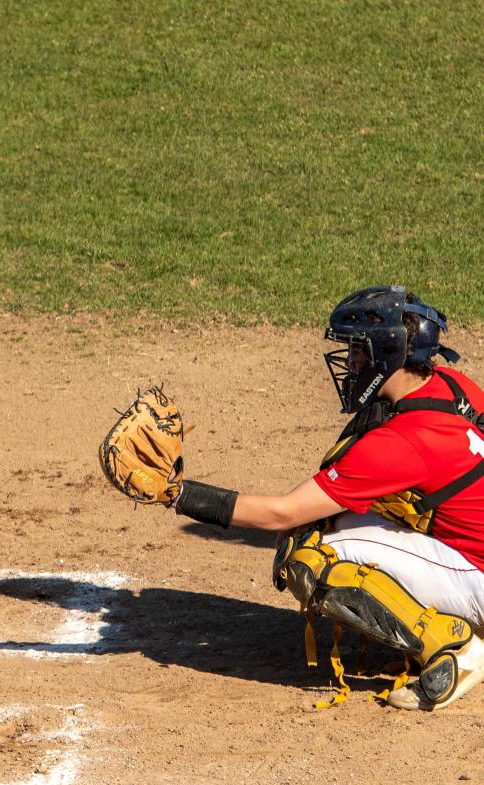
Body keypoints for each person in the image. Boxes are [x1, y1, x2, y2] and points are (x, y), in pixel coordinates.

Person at [172, 285, 484, 710]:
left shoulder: (401, 442)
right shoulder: (452, 384)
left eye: (358, 349)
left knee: (312, 549)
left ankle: (456, 648)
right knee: (346, 517)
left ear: (387, 353)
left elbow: (281, 514)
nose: (350, 361)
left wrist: (180, 494)